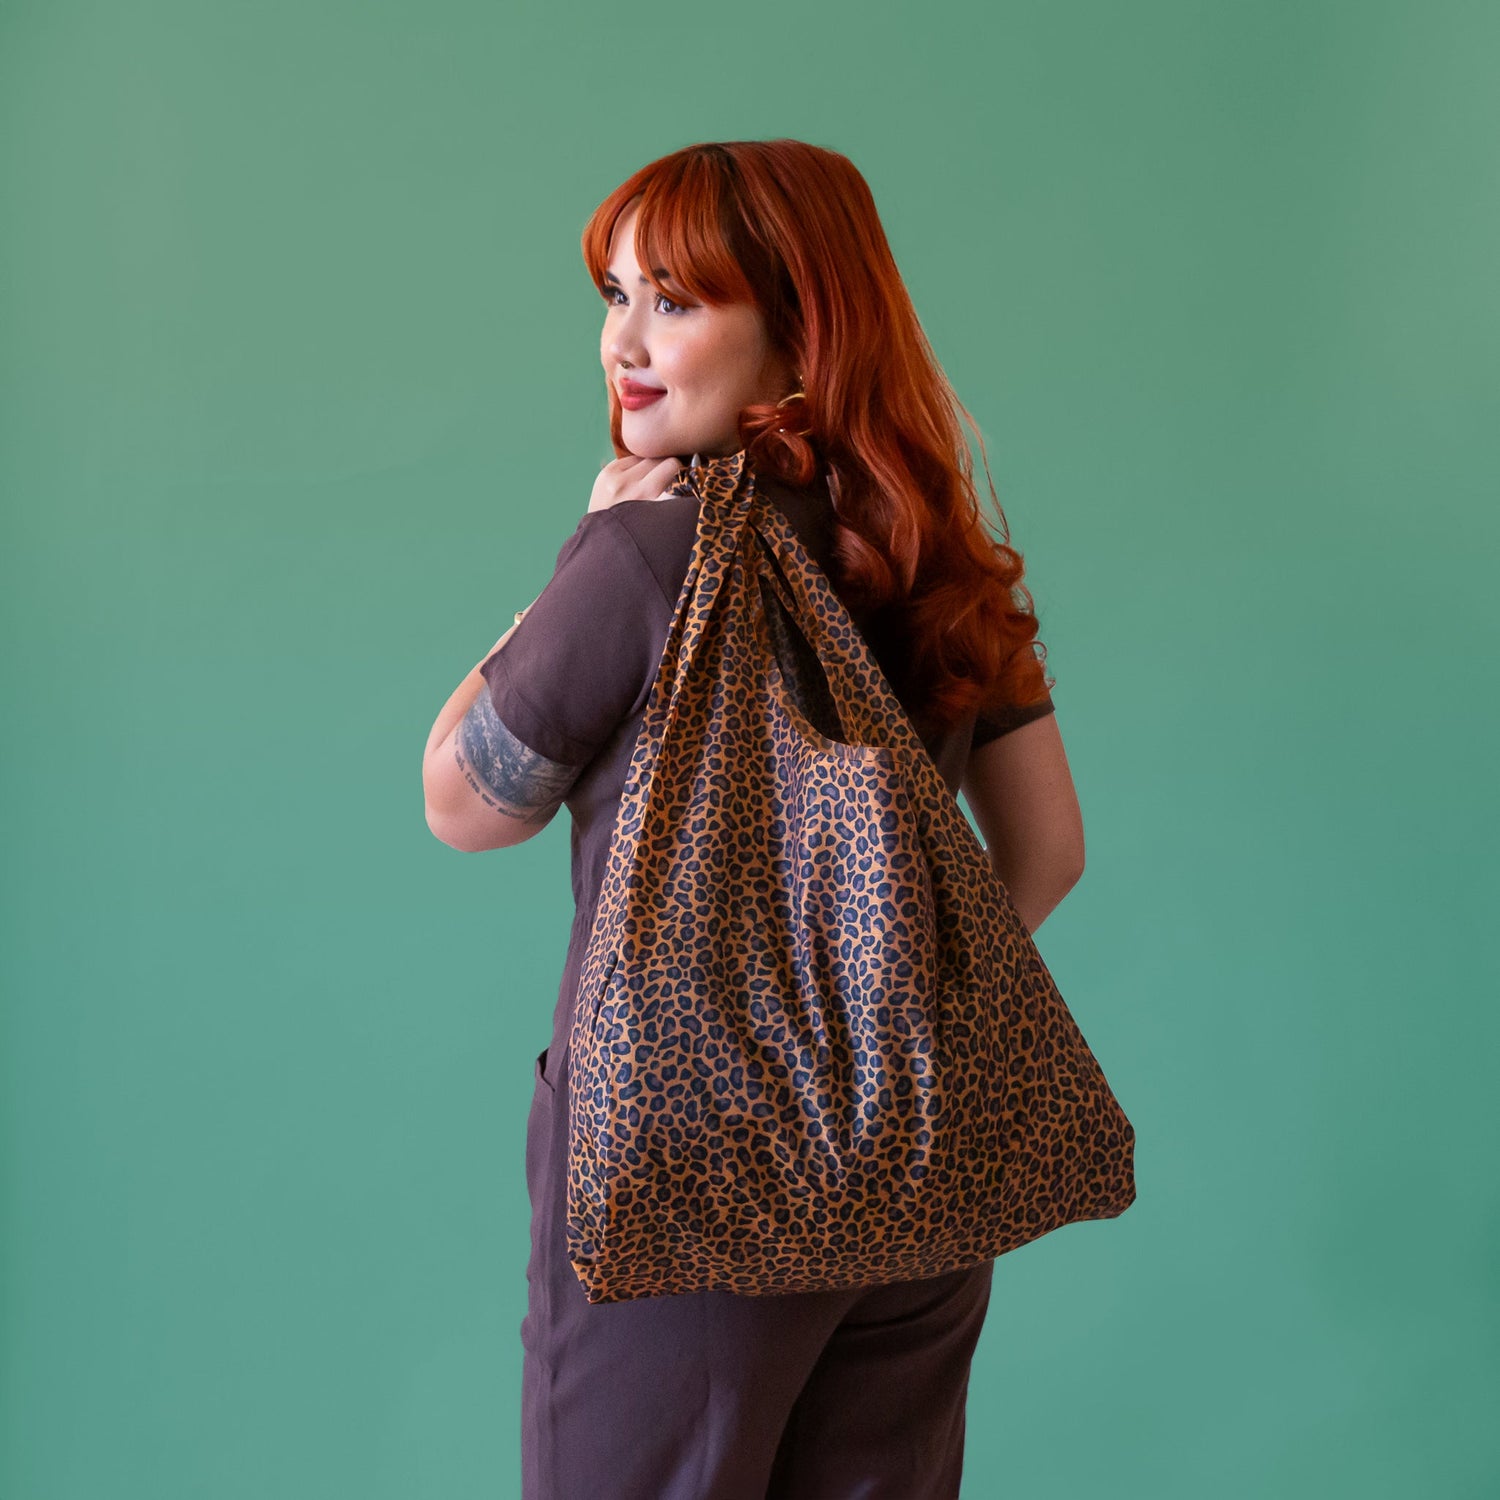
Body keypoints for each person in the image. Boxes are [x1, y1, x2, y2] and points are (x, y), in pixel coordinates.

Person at [421, 139, 1085, 1500]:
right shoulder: (942, 560)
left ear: (799, 333)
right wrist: (869, 1017)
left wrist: (566, 569)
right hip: (919, 1165)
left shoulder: (650, 552)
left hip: (688, 1174)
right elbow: (1050, 851)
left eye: (677, 300)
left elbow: (463, 801)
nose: (626, 341)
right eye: (616, 295)